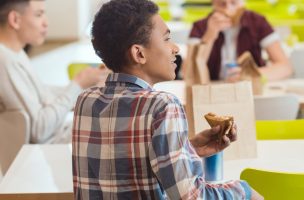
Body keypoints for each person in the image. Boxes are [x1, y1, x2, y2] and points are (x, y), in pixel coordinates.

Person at [73, 0, 263, 199]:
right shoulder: (163, 105)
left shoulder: (86, 100)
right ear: (139, 53)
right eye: (166, 39)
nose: (175, 48)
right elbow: (191, 197)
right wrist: (243, 190)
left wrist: (187, 150)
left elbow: (123, 169)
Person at [0, 0, 107, 144]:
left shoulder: (16, 54)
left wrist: (87, 89)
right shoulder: (4, 60)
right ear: (15, 20)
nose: (46, 23)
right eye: (39, 15)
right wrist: (77, 84)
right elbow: (39, 131)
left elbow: (43, 96)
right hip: (45, 149)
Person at [186, 0, 292, 82]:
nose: (228, 9)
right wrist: (209, 35)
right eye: (222, 4)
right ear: (213, 3)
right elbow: (188, 71)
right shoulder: (200, 27)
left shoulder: (258, 22)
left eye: (233, 2)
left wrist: (251, 75)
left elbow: (284, 67)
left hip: (250, 91)